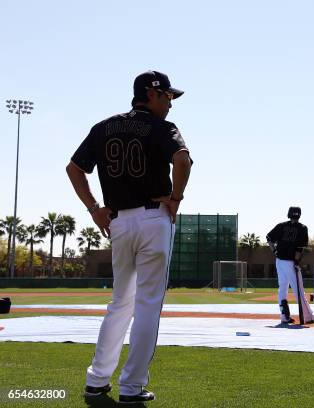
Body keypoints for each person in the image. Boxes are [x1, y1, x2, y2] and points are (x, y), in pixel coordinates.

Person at [66, 70, 192, 403]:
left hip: (118, 224)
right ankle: (131, 387)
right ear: (152, 94)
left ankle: (96, 380)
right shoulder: (162, 127)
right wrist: (176, 198)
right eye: (167, 97)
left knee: (120, 304)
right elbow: (182, 159)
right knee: (147, 306)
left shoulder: (103, 126)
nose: (170, 104)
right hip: (154, 218)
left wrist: (94, 208)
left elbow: (74, 168)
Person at [266, 206, 314, 324]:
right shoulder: (302, 228)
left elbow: (269, 238)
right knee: (299, 290)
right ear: (299, 215)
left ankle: (284, 317)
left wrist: (274, 251)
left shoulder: (281, 225)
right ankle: (308, 317)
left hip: (279, 261)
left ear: (289, 214)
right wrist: (296, 262)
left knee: (282, 289)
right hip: (290, 262)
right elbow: (299, 249)